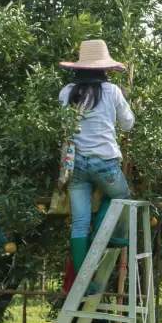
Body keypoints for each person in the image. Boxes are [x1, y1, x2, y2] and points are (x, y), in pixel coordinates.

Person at [58, 39, 135, 272]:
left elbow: (64, 125)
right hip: (105, 162)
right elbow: (129, 124)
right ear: (104, 69)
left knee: (79, 223)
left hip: (75, 164)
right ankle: (106, 234)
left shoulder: (67, 92)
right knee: (121, 195)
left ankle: (84, 277)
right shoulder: (112, 91)